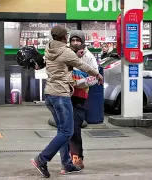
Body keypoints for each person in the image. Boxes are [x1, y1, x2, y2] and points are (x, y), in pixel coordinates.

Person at [30, 26, 103, 178]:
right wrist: (97, 74)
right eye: (70, 38)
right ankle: (41, 159)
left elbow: (61, 62)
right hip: (61, 96)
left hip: (49, 94)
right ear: (64, 38)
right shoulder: (66, 52)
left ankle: (67, 164)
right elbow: (81, 65)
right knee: (67, 131)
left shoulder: (49, 49)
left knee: (62, 131)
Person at [68, 30, 99, 169]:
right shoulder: (67, 53)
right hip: (65, 95)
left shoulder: (89, 57)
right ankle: (68, 157)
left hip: (79, 96)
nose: (75, 43)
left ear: (82, 41)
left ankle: (77, 158)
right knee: (66, 128)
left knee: (75, 127)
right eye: (72, 40)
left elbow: (94, 78)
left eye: (77, 40)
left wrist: (79, 83)